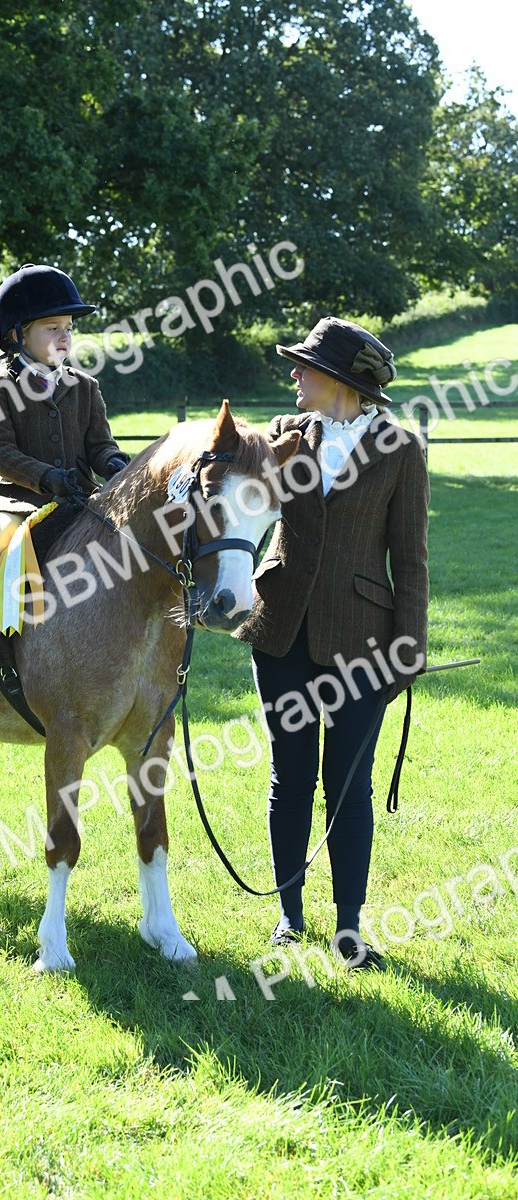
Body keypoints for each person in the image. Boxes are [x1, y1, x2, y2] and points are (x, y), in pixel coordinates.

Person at [238, 317, 429, 970]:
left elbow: (412, 557)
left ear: (341, 380)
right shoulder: (284, 438)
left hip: (364, 645)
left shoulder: (402, 449)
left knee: (349, 786)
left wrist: (410, 647)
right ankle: (289, 919)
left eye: (304, 366)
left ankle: (349, 931)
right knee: (289, 778)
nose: (293, 374)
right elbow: (232, 504)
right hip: (280, 631)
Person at [0, 263, 130, 691]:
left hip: (79, 499)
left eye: (69, 328)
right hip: (18, 501)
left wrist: (113, 463)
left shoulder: (85, 386)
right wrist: (46, 476)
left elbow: (99, 444)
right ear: (17, 335)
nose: (65, 337)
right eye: (52, 327)